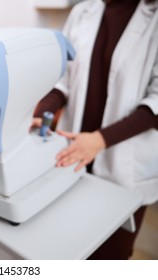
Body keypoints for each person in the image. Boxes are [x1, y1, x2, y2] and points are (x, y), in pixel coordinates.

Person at [33, 0, 158, 259]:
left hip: (123, 165)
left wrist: (100, 140)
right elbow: (62, 78)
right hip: (74, 155)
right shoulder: (83, 11)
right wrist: (43, 114)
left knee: (111, 256)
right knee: (70, 249)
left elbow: (155, 102)